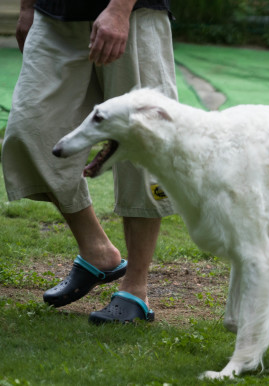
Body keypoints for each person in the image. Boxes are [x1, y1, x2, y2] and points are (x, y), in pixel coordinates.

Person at [2, 0, 177, 323]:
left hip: (133, 13)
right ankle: (98, 250)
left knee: (144, 139)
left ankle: (136, 289)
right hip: (53, 12)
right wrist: (27, 7)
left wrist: (120, 8)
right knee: (29, 130)